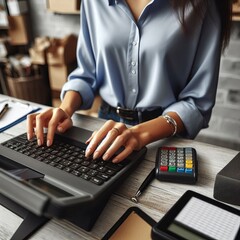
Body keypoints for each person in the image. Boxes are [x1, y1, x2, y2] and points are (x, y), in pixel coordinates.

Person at [27, 0, 233, 163]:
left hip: (165, 132)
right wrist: (64, 109)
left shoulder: (203, 5)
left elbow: (197, 103)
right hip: (105, 124)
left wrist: (139, 133)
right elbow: (87, 72)